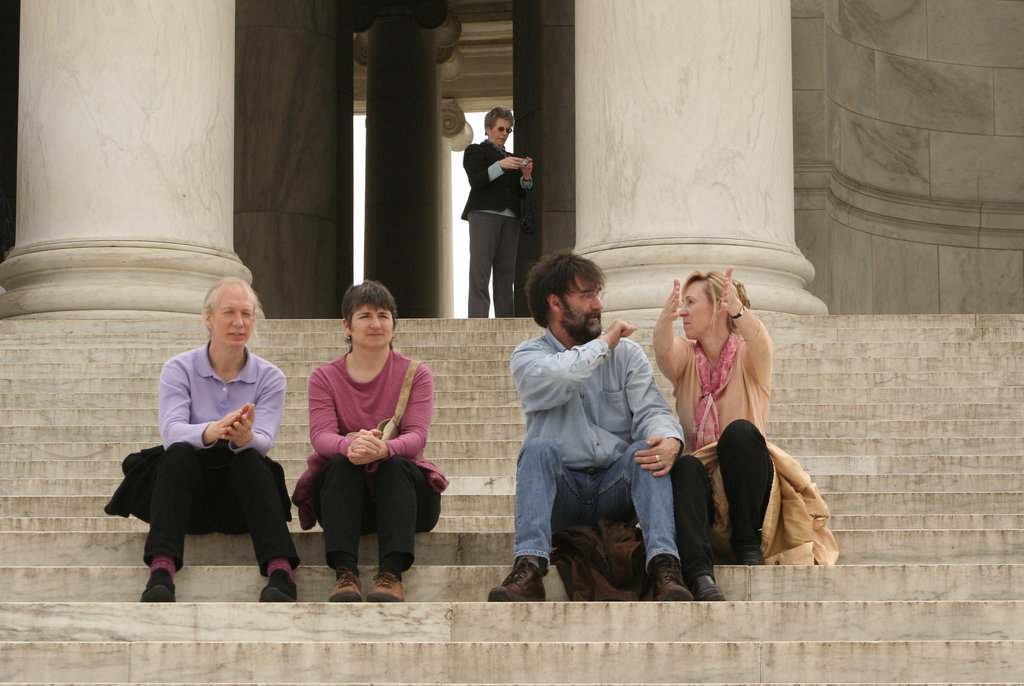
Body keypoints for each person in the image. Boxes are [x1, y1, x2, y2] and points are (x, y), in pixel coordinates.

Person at [488, 250, 692, 602]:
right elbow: (564, 374)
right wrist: (604, 343)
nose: (598, 304)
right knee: (537, 449)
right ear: (555, 303)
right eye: (586, 295)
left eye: (597, 293)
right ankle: (529, 568)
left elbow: (653, 411)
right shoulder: (528, 358)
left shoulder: (625, 354)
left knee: (647, 451)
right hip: (561, 496)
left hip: (614, 490)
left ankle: (665, 567)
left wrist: (670, 439)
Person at [653, 268, 839, 600]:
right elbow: (665, 351)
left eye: (691, 302)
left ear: (719, 307)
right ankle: (700, 575)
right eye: (682, 303)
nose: (683, 310)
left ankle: (747, 545)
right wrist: (664, 321)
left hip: (749, 498)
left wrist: (738, 310)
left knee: (739, 434)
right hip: (703, 497)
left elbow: (760, 340)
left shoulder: (749, 358)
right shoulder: (686, 359)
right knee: (687, 466)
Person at [112, 277, 299, 602]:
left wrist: (244, 437)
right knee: (179, 454)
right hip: (185, 499)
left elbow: (265, 439)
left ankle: (280, 571)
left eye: (246, 313)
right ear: (208, 317)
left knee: (250, 459)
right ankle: (161, 570)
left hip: (240, 502)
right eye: (229, 312)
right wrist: (212, 431)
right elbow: (171, 433)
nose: (239, 323)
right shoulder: (178, 369)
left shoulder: (270, 377)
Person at [291, 281, 448, 602]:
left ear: (393, 323)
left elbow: (417, 436)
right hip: (347, 500)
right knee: (338, 464)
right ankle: (345, 574)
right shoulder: (324, 376)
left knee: (396, 465)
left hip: (407, 500)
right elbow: (321, 436)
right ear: (346, 326)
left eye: (383, 315)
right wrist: (351, 447)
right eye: (364, 316)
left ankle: (391, 574)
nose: (375, 324)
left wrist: (383, 449)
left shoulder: (416, 373)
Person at [461, 105, 534, 318]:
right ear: (488, 129)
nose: (504, 134)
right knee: (480, 273)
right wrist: (501, 165)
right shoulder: (475, 151)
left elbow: (523, 192)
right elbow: (476, 180)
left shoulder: (512, 158)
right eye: (501, 129)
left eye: (508, 130)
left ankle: (505, 320)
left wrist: (526, 176)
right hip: (483, 215)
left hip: (511, 219)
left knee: (506, 276)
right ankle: (478, 321)